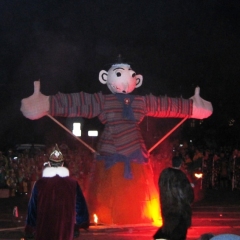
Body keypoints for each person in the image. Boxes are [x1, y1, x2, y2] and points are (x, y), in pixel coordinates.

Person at [21, 57, 212, 225]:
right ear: (105, 77)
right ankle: (101, 214)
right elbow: (79, 102)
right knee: (106, 198)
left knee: (139, 196)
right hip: (110, 156)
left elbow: (165, 105)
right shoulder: (102, 102)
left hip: (136, 156)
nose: (125, 79)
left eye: (129, 75)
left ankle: (139, 215)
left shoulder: (141, 102)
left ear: (137, 80)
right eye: (119, 74)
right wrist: (47, 103)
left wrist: (191, 107)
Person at [24, 144, 89, 240]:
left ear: (50, 164)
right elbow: (80, 205)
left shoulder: (40, 184)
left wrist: (30, 227)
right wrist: (80, 223)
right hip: (65, 228)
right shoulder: (72, 184)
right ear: (62, 164)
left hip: (44, 228)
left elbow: (33, 208)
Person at [153, 155, 194, 240]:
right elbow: (186, 193)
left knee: (168, 227)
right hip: (179, 208)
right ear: (181, 164)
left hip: (167, 206)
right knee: (179, 230)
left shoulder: (164, 174)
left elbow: (162, 186)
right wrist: (190, 187)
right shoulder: (181, 176)